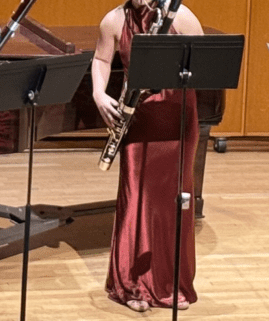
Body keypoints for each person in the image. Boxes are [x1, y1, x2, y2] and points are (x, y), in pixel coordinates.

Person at [91, 0, 204, 313]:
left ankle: (169, 284)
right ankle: (132, 284)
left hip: (177, 117)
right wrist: (99, 93)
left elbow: (205, 68)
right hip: (139, 118)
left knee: (173, 202)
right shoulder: (114, 20)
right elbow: (101, 58)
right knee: (136, 200)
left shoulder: (182, 17)